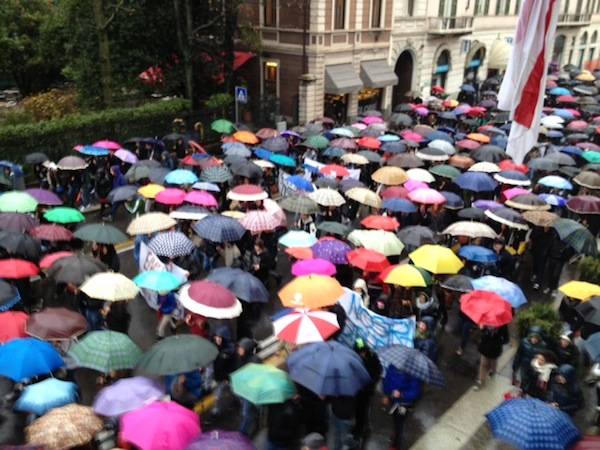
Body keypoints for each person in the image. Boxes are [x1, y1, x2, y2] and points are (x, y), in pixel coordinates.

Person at [383, 364, 421, 450]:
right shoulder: (391, 367)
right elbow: (387, 381)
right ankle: (396, 434)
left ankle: (396, 445)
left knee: (399, 423)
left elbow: (415, 392)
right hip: (393, 400)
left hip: (404, 404)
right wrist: (386, 394)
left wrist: (402, 394)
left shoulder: (413, 372)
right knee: (395, 419)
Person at [353, 339, 382, 446]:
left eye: (363, 351)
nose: (362, 354)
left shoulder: (373, 357)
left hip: (367, 390)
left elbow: (378, 371)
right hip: (357, 390)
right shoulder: (354, 357)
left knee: (364, 411)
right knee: (358, 410)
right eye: (360, 352)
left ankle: (362, 430)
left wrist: (372, 381)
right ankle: (358, 427)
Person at [512, 326, 548, 391]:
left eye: (536, 338)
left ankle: (526, 391)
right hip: (524, 365)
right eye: (533, 337)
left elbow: (543, 358)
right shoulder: (524, 342)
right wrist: (515, 366)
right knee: (523, 379)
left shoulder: (543, 346)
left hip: (534, 367)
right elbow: (519, 354)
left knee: (531, 382)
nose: (534, 339)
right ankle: (522, 391)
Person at [474, 325, 509, 390]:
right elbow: (483, 333)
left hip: (494, 350)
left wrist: (498, 340)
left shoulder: (503, 326)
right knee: (483, 365)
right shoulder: (486, 321)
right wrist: (482, 329)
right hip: (485, 348)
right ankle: (481, 381)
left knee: (492, 364)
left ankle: (493, 371)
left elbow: (506, 340)